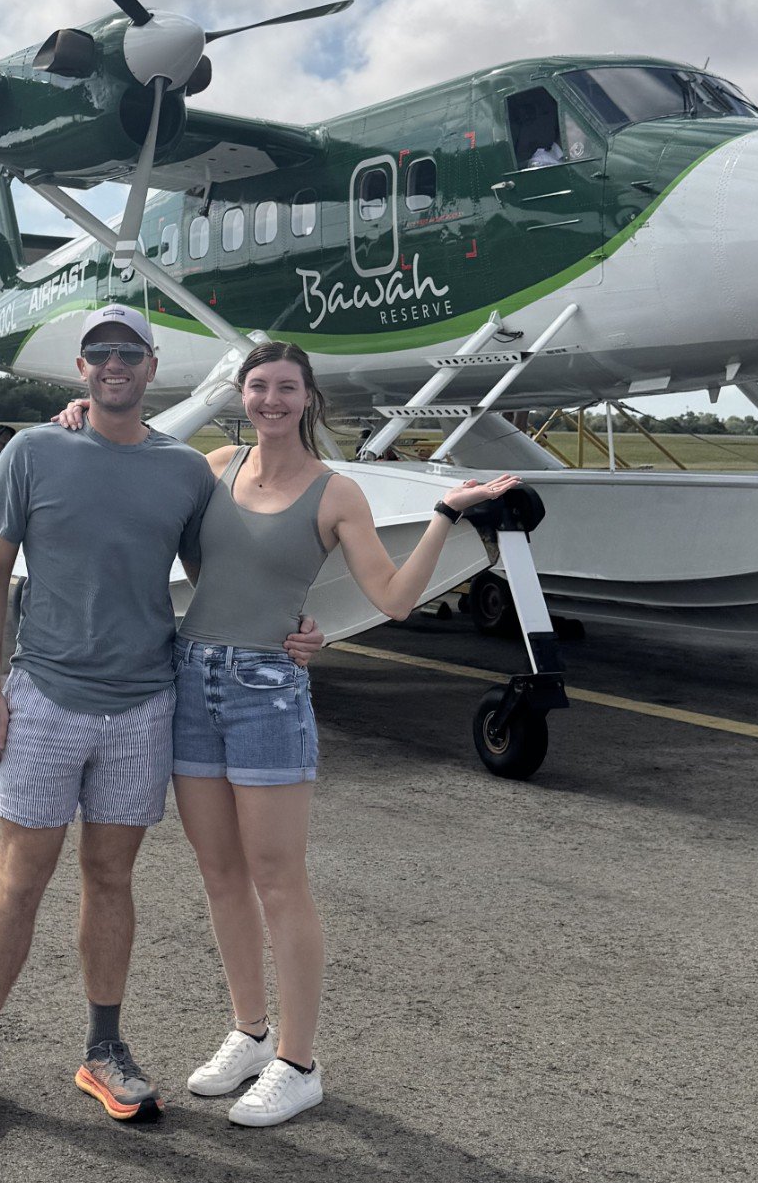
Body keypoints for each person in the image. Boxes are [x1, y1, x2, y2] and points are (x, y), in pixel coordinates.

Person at [62, 339, 519, 1130]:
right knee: (220, 874)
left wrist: (447, 515)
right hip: (191, 679)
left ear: (309, 399)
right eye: (257, 387)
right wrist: (82, 422)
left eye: (286, 388)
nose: (270, 399)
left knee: (280, 880)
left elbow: (395, 597)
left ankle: (299, 1062)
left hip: (266, 694)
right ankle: (249, 1030)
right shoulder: (211, 469)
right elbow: (136, 479)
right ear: (242, 396)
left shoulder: (336, 493)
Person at [0, 306, 320, 1137]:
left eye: (129, 353)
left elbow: (230, 573)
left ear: (151, 368)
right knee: (20, 877)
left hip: (144, 703)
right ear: (81, 370)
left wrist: (296, 626)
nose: (114, 365)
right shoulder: (34, 451)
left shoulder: (184, 472)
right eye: (100, 353)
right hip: (44, 696)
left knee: (111, 879)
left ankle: (103, 1049)